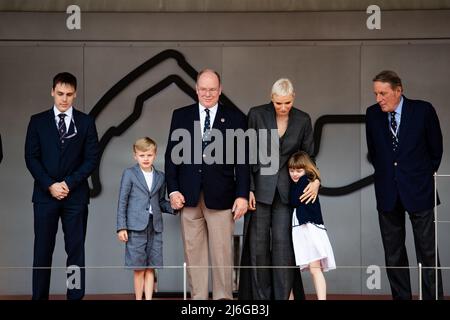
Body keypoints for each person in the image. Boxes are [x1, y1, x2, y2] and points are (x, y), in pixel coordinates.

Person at [165, 69, 249, 300]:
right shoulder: (180, 116)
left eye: (212, 89)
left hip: (222, 198)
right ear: (196, 89)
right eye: (203, 89)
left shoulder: (235, 118)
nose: (207, 93)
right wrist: (172, 190)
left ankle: (223, 300)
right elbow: (172, 157)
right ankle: (199, 302)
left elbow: (242, 161)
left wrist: (242, 195)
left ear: (220, 90)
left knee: (223, 256)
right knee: (194, 256)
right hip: (188, 197)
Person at [239, 78, 320, 300]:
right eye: (278, 103)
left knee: (285, 249)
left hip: (288, 192)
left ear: (293, 98)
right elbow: (247, 154)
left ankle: (283, 296)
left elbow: (308, 156)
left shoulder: (303, 119)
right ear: (271, 98)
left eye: (287, 103)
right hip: (260, 191)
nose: (283, 108)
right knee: (258, 249)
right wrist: (249, 189)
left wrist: (315, 179)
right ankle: (260, 301)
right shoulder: (256, 114)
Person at [365, 70, 444, 300]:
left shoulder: (423, 110)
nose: (378, 99)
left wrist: (419, 175)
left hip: (419, 191)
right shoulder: (372, 114)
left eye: (383, 93)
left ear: (398, 90)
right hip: (388, 192)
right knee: (393, 255)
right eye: (376, 93)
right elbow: (375, 152)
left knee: (428, 253)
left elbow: (436, 150)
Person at [25, 72, 99, 300]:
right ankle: (39, 298)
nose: (64, 99)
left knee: (75, 253)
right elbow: (31, 157)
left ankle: (74, 297)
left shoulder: (86, 122)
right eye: (60, 94)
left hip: (75, 197)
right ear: (52, 92)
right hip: (45, 197)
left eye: (68, 94)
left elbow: (91, 159)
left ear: (75, 94)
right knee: (42, 253)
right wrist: (50, 185)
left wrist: (67, 183)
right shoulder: (37, 121)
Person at [116, 137, 175, 300]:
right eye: (142, 155)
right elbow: (122, 201)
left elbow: (161, 202)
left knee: (151, 267)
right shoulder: (129, 173)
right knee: (139, 268)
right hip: (135, 227)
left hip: (155, 227)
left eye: (149, 155)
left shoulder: (160, 176)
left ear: (155, 154)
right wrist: (122, 227)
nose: (146, 158)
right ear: (135, 156)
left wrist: (175, 208)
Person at [288, 151, 336, 300]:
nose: (295, 174)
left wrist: (314, 180)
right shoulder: (307, 181)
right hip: (304, 230)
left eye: (299, 170)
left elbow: (294, 201)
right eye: (291, 170)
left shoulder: (305, 181)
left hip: (308, 230)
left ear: (307, 169)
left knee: (315, 269)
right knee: (315, 269)